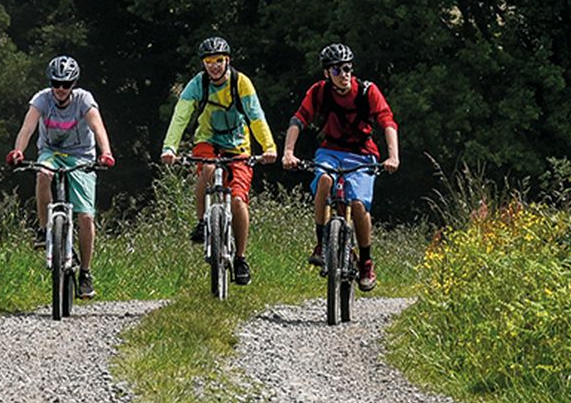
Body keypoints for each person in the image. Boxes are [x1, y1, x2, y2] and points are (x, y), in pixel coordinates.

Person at [281, 42, 399, 292]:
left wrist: (393, 157)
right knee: (324, 179)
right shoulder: (319, 92)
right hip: (331, 150)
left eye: (347, 69)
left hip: (363, 154)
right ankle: (322, 243)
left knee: (358, 205)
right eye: (337, 70)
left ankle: (366, 262)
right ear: (327, 74)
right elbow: (298, 119)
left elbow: (387, 121)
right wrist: (288, 152)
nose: (344, 75)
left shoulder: (367, 91)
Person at [159, 36, 276, 285]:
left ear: (228, 61)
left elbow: (256, 116)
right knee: (208, 169)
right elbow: (181, 116)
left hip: (238, 145)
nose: (214, 66)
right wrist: (170, 147)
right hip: (207, 141)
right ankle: (202, 222)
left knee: (237, 200)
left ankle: (241, 258)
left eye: (219, 61)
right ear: (203, 64)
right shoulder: (197, 85)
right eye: (208, 61)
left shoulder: (241, 83)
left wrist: (268, 147)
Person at [7, 55, 115, 299]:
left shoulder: (84, 100)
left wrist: (105, 152)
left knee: (86, 216)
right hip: (51, 153)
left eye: (66, 84)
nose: (60, 89)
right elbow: (28, 127)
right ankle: (45, 229)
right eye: (56, 83)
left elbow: (98, 127)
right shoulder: (42, 99)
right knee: (43, 174)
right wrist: (19, 150)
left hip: (81, 157)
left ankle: (86, 273)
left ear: (73, 84)